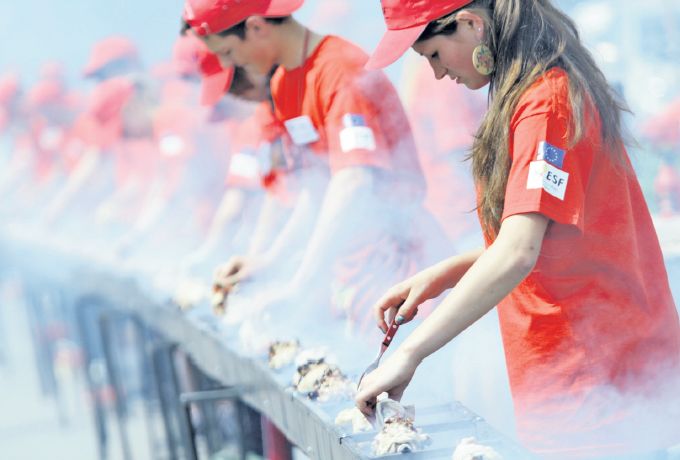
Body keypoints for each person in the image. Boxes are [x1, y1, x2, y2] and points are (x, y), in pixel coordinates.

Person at [356, 0, 680, 457]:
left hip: (600, 389)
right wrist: (446, 274)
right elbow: (547, 238)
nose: (437, 74)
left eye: (433, 55)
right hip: (575, 386)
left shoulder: (546, 103)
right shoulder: (533, 94)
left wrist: (410, 354)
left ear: (470, 23)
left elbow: (518, 251)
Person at [183, 0, 449, 333]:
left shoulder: (340, 69)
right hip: (352, 278)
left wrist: (300, 284)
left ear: (256, 27)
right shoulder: (283, 85)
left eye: (226, 51)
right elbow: (315, 191)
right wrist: (269, 261)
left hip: (403, 274)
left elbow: (353, 183)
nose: (227, 64)